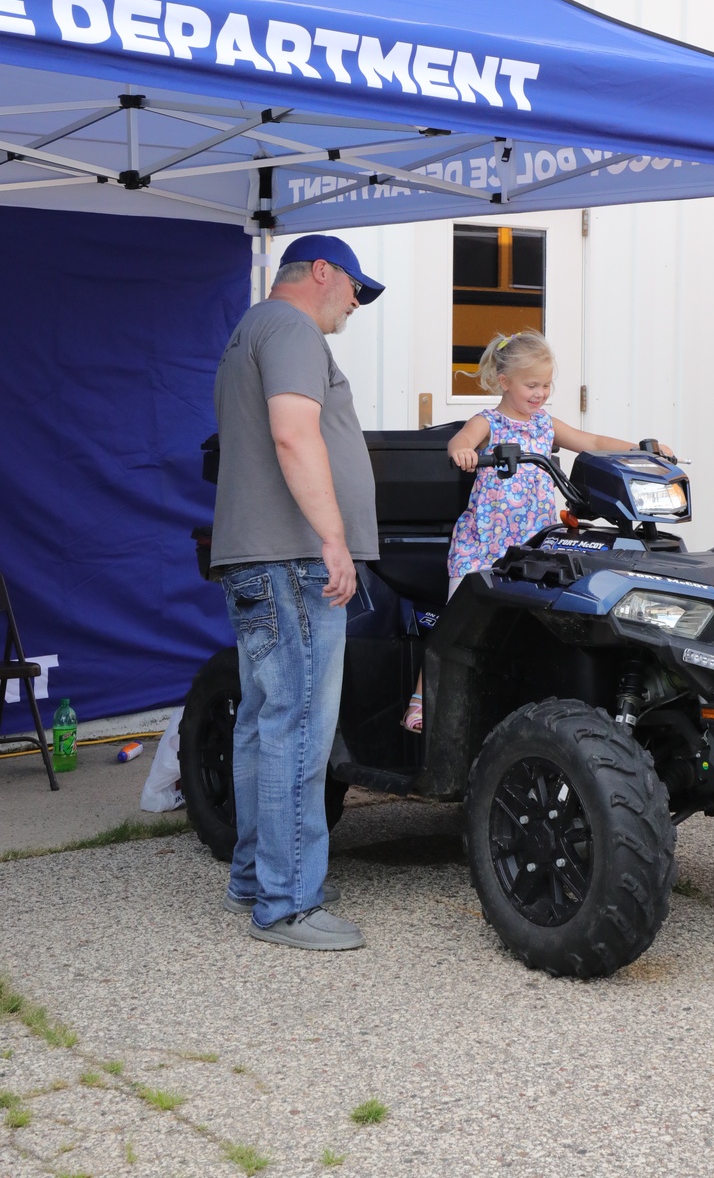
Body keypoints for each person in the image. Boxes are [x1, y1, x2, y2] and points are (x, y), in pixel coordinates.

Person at [211, 233, 383, 952]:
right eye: (353, 289)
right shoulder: (289, 328)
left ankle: (258, 874)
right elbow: (293, 434)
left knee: (262, 720)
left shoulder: (252, 328)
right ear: (321, 273)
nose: (354, 304)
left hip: (261, 559)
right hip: (292, 560)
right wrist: (333, 538)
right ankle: (287, 902)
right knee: (299, 725)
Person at [401, 329, 671, 732]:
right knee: (454, 622)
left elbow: (591, 440)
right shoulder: (488, 422)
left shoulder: (545, 424)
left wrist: (639, 449)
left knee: (530, 624)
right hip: (485, 542)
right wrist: (463, 451)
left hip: (533, 544)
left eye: (547, 385)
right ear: (504, 381)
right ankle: (421, 699)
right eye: (532, 384)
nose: (540, 393)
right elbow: (462, 438)